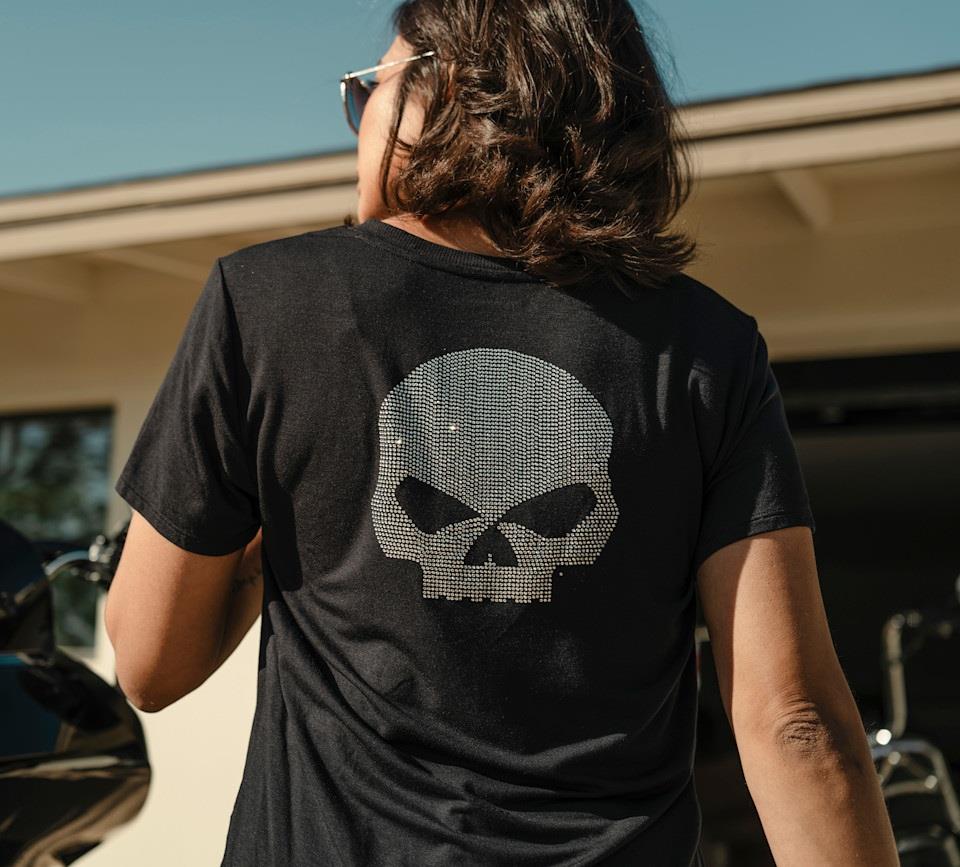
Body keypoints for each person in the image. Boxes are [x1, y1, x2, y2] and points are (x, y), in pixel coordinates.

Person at [105, 1, 900, 865]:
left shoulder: (265, 305)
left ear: (441, 91)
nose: (358, 122)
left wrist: (282, 517)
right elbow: (795, 722)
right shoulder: (706, 349)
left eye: (367, 91)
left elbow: (149, 662)